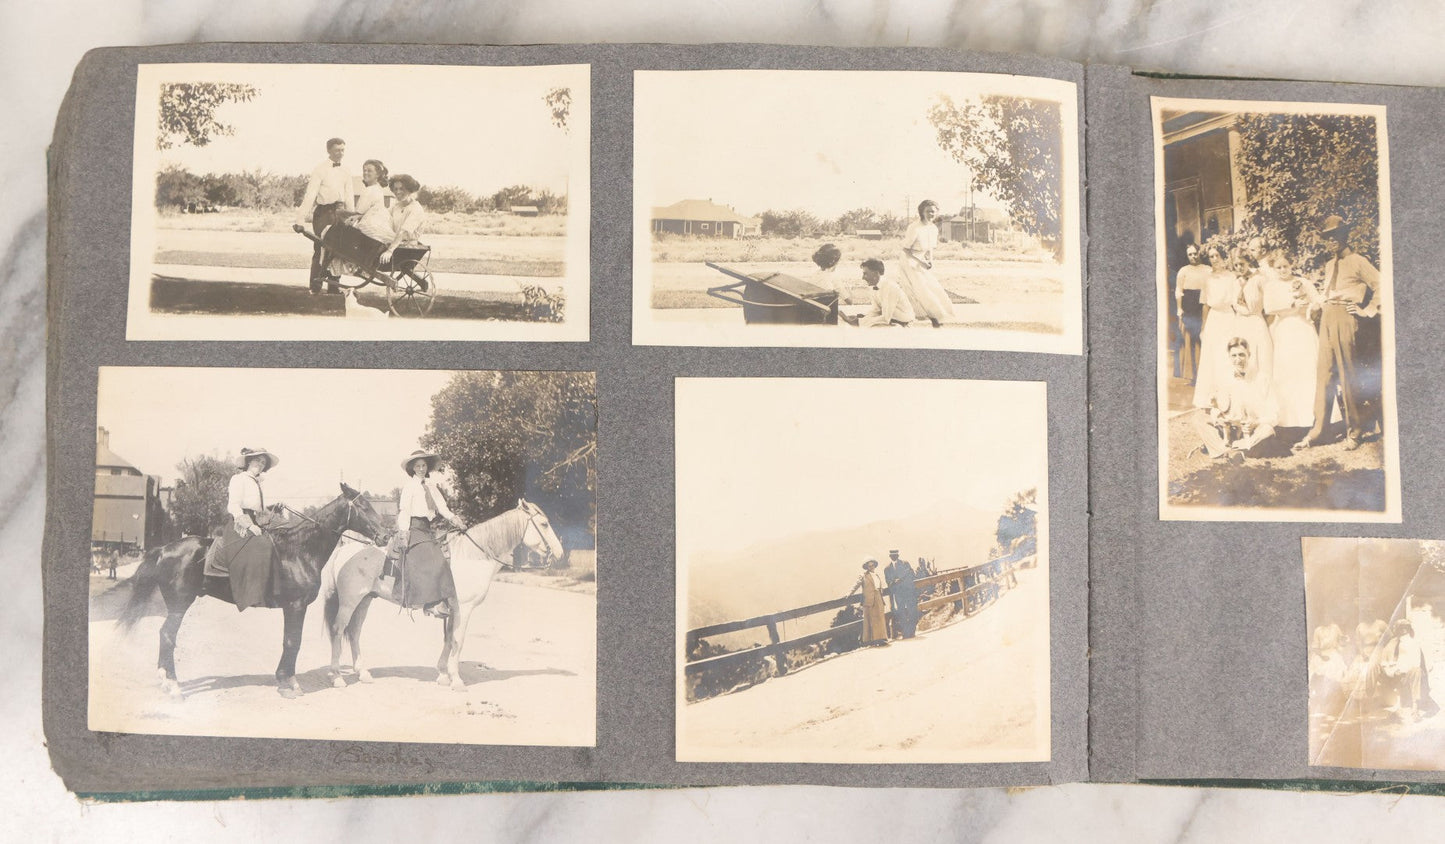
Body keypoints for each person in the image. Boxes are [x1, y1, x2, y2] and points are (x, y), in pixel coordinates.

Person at [1295, 215, 1381, 452]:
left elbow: (1382, 284)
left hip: (1346, 317)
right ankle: (1318, 431)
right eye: (1327, 237)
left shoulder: (1358, 261)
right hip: (1327, 319)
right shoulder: (1329, 264)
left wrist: (1368, 310)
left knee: (1347, 374)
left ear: (1345, 235)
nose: (1331, 241)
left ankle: (1355, 431)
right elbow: (1326, 294)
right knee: (1324, 374)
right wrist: (1315, 308)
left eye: (1335, 236)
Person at [203, 447, 281, 609]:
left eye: (263, 463)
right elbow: (233, 506)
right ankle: (252, 595)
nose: (260, 464)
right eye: (257, 460)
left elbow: (259, 511)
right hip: (239, 525)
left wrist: (274, 510)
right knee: (262, 546)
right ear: (248, 462)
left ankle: (271, 590)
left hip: (255, 523)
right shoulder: (239, 479)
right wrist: (250, 525)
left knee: (276, 543)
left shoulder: (257, 483)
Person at [395, 449, 466, 618]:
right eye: (418, 466)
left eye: (424, 465)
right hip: (414, 527)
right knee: (434, 559)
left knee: (444, 558)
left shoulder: (432, 487)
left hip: (427, 528)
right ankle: (429, 604)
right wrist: (404, 533)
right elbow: (404, 510)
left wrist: (454, 519)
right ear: (412, 468)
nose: (421, 469)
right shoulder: (409, 487)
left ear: (427, 467)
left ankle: (443, 600)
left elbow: (442, 508)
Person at [1260, 248, 1322, 430]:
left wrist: (1311, 306)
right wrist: (1292, 305)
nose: (1282, 270)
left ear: (1292, 264)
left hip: (1304, 328)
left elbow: (1317, 301)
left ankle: (1312, 418)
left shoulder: (1302, 282)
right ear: (1273, 268)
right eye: (1278, 267)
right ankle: (1289, 420)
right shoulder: (1271, 286)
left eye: (1285, 266)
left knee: (1307, 370)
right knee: (1288, 372)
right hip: (1285, 330)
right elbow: (1270, 308)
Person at [1191, 337, 1279, 460]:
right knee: (1199, 418)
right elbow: (1218, 407)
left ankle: (1228, 449)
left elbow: (1274, 415)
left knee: (1268, 430)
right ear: (1229, 357)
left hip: (1251, 430)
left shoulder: (1263, 379)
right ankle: (1230, 450)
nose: (1238, 360)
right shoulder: (1224, 378)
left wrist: (1255, 423)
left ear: (1249, 355)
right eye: (1234, 356)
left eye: (1242, 355)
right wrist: (1218, 418)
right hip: (1228, 429)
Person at [292, 138, 354, 294]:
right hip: (323, 213)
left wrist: (352, 218)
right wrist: (300, 219)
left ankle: (333, 287)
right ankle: (315, 287)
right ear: (329, 151)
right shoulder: (320, 169)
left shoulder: (346, 170)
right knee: (321, 247)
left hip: (340, 212)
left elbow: (349, 196)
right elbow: (310, 195)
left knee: (338, 250)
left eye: (342, 150)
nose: (340, 153)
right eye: (337, 150)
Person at [895, 200, 956, 327]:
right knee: (920, 289)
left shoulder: (933, 228)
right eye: (928, 211)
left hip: (922, 261)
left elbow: (930, 249)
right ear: (922, 212)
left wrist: (930, 260)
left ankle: (938, 316)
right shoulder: (914, 227)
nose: (931, 214)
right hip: (909, 261)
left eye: (933, 211)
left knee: (933, 287)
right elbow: (905, 249)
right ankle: (932, 318)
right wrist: (920, 262)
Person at [1192, 243, 1238, 408]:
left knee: (1226, 354)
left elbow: (1236, 302)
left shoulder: (1232, 277)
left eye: (1217, 255)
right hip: (1213, 319)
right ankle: (1211, 397)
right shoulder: (1207, 278)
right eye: (1211, 256)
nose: (1214, 259)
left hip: (1228, 317)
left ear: (1223, 256)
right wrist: (1204, 327)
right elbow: (1205, 304)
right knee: (1211, 356)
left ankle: (1229, 397)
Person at [1175, 243, 1211, 385]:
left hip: (1203, 306)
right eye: (1190, 254)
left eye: (1195, 253)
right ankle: (1192, 376)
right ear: (1187, 256)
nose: (1193, 256)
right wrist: (1179, 309)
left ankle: (1204, 375)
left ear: (1199, 253)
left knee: (1203, 339)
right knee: (1190, 341)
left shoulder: (1208, 270)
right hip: (1188, 307)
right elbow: (1179, 291)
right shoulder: (1183, 271)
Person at [1381, 619, 1430, 722]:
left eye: (1403, 629)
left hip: (1409, 675)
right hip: (1393, 676)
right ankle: (1397, 708)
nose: (1400, 631)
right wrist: (1392, 671)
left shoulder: (1414, 643)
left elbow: (1416, 663)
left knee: (1416, 671)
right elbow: (1383, 661)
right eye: (1398, 629)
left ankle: (1415, 709)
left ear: (1406, 630)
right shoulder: (1392, 643)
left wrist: (1402, 670)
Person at [380, 174, 427, 268]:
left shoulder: (415, 209)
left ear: (410, 190)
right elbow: (383, 217)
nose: (398, 192)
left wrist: (389, 251)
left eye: (402, 189)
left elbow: (403, 232)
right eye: (395, 189)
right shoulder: (396, 205)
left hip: (406, 247)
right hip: (393, 241)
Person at [857, 258, 914, 327]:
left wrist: (861, 322)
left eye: (865, 274)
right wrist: (863, 318)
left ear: (875, 273)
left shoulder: (890, 287)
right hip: (890, 320)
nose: (863, 278)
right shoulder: (873, 287)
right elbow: (876, 310)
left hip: (903, 322)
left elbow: (885, 318)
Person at [884, 550, 920, 639]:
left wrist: (903, 580)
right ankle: (905, 633)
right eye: (892, 555)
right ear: (889, 556)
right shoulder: (887, 568)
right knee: (901, 613)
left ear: (898, 555)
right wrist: (894, 582)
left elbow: (912, 574)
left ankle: (912, 632)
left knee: (912, 611)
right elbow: (888, 581)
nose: (894, 556)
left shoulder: (905, 564)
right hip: (898, 595)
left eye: (895, 555)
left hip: (908, 592)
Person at [859, 558, 889, 647]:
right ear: (867, 567)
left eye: (873, 565)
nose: (871, 567)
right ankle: (873, 640)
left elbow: (879, 585)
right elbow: (856, 584)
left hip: (878, 597)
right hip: (870, 599)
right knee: (872, 619)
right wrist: (849, 593)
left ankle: (882, 638)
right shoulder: (863, 576)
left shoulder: (876, 575)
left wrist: (881, 590)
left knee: (880, 618)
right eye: (869, 566)